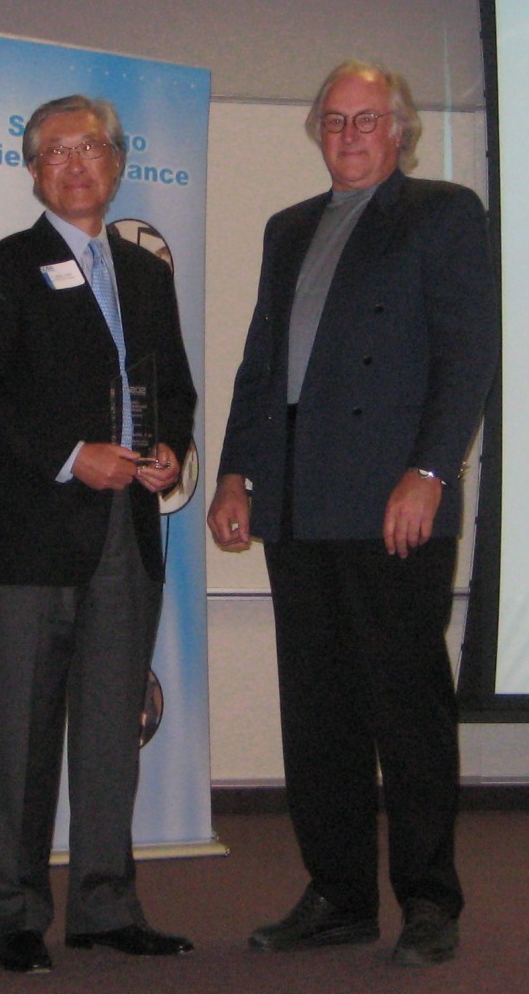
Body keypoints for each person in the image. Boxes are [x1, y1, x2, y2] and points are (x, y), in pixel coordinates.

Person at [207, 61, 499, 968]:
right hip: (295, 499)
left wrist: (429, 470)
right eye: (333, 121)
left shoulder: (444, 213)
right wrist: (234, 474)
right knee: (318, 713)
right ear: (317, 132)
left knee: (406, 710)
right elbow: (262, 363)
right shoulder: (286, 228)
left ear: (400, 129)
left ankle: (429, 902)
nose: (349, 135)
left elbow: (468, 353)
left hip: (393, 501)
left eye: (367, 119)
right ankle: (337, 895)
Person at [0, 94, 196, 974]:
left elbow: (177, 393)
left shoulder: (147, 273)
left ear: (119, 162)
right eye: (56, 150)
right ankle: (14, 912)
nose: (78, 161)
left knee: (106, 732)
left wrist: (171, 448)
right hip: (36, 534)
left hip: (129, 535)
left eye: (92, 146)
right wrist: (67, 456)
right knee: (19, 734)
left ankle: (104, 903)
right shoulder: (1, 267)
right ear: (33, 170)